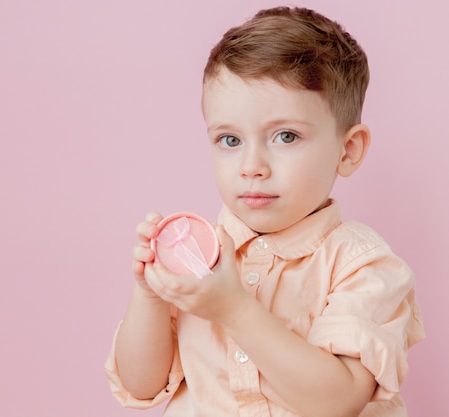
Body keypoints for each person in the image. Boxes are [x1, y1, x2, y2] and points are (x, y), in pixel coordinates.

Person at [105, 6, 424, 417]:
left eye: (285, 136)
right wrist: (150, 294)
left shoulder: (363, 265)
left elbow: (339, 400)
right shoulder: (198, 254)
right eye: (230, 140)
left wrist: (235, 310)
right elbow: (140, 386)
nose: (251, 165)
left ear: (347, 150)